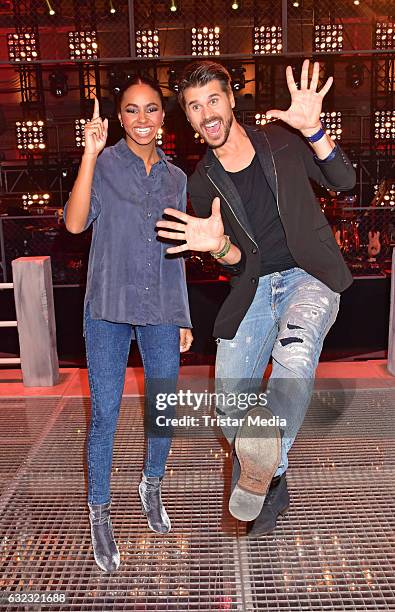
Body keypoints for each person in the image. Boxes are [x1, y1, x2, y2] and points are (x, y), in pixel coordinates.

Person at [156, 59, 355, 537]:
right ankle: (273, 468)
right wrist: (218, 248)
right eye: (195, 106)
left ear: (231, 100)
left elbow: (344, 181)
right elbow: (236, 260)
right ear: (189, 119)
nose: (207, 112)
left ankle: (265, 462)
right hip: (254, 289)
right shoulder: (202, 182)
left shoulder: (282, 140)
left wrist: (315, 131)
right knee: (230, 405)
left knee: (296, 353)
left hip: (310, 275)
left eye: (214, 100)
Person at [64, 76, 193, 572]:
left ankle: (151, 484)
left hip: (161, 305)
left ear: (164, 117)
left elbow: (177, 249)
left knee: (164, 410)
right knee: (106, 415)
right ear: (119, 119)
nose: (143, 119)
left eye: (152, 110)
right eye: (132, 111)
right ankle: (100, 511)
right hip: (107, 309)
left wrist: (182, 316)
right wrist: (90, 154)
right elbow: (75, 224)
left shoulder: (176, 178)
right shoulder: (105, 164)